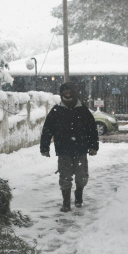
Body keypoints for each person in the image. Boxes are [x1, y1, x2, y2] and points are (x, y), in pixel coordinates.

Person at [40, 82, 99, 212]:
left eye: (69, 92)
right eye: (65, 93)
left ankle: (79, 196)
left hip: (81, 149)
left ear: (74, 93)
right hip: (63, 150)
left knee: (82, 176)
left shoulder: (83, 110)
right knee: (65, 177)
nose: (67, 95)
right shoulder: (56, 111)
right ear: (61, 95)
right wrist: (44, 147)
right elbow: (47, 130)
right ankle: (66, 202)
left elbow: (92, 129)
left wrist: (93, 146)